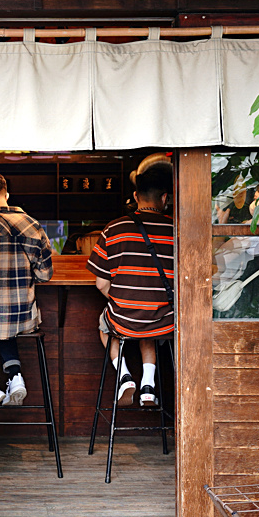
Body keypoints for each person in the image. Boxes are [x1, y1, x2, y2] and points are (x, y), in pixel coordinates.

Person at [0, 170, 55, 417]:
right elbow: (45, 274)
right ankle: (15, 376)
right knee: (6, 327)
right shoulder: (33, 225)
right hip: (23, 319)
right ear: (6, 194)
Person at [87, 161, 174, 407]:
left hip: (125, 318)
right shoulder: (177, 230)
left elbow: (101, 284)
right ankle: (149, 385)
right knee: (149, 328)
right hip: (164, 319)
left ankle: (124, 376)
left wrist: (126, 300)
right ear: (165, 197)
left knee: (106, 326)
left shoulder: (114, 229)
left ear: (136, 196)